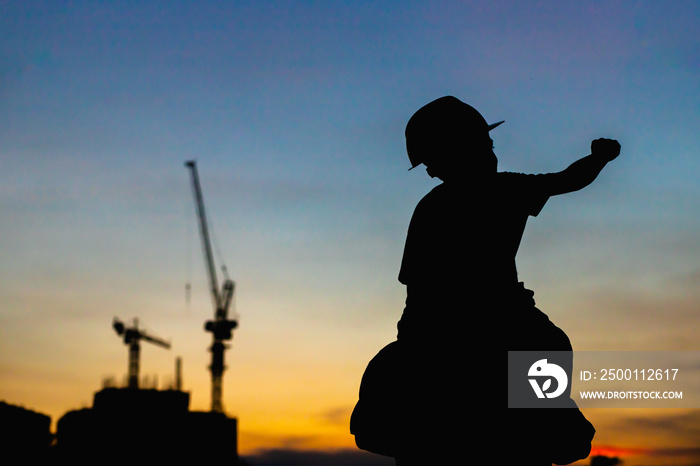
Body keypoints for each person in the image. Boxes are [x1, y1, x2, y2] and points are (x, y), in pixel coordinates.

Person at [351, 95, 620, 465]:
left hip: (442, 320)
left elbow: (413, 283)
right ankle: (552, 425)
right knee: (549, 344)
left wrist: (597, 160)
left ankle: (548, 424)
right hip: (489, 314)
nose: (490, 152)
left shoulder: (445, 202)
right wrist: (599, 159)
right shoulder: (501, 189)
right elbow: (567, 180)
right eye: (483, 144)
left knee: (547, 344)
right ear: (458, 152)